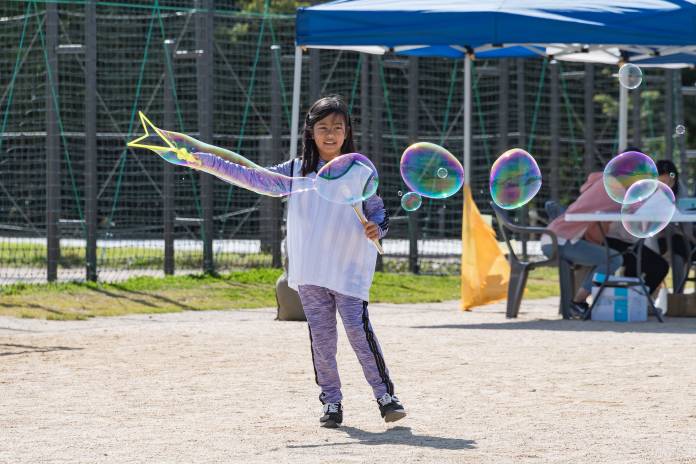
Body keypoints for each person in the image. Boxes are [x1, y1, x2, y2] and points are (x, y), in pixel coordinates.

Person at [166, 95, 405, 428]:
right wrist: (204, 161)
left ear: (347, 131)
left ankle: (385, 396)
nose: (331, 134)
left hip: (349, 266)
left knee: (358, 331)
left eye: (338, 127)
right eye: (323, 127)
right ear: (310, 132)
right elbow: (253, 177)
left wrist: (377, 226)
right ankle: (332, 402)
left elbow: (377, 210)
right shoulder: (295, 170)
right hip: (310, 270)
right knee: (322, 338)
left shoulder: (359, 170)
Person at [541, 171, 623, 317]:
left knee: (609, 256)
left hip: (553, 238)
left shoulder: (600, 181)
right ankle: (578, 302)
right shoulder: (614, 188)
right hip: (561, 241)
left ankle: (578, 302)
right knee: (614, 259)